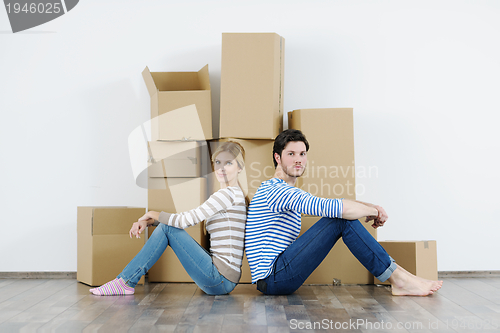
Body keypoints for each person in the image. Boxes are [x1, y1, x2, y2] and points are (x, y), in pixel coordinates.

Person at [245, 129, 443, 296]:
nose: (298, 160)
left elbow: (334, 204)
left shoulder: (283, 190)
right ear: (277, 157)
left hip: (276, 276)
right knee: (340, 220)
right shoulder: (277, 191)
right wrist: (374, 210)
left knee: (340, 217)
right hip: (273, 277)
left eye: (302, 154)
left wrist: (371, 206)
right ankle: (399, 280)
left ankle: (402, 276)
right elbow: (338, 209)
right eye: (291, 154)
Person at [90, 141, 248, 296]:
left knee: (167, 227)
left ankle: (125, 282)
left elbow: (184, 221)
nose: (221, 168)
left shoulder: (227, 195)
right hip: (222, 279)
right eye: (218, 162)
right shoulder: (235, 195)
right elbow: (184, 219)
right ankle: (125, 282)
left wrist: (152, 213)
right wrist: (152, 221)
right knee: (166, 227)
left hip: (219, 279)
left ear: (240, 167)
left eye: (228, 163)